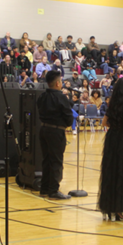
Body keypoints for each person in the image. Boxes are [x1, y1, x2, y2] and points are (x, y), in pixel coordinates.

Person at [98, 77, 123, 220]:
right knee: (122, 172)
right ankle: (120, 209)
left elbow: (104, 123)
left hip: (111, 138)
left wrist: (115, 126)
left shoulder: (112, 103)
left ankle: (109, 207)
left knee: (110, 172)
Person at [37, 70, 73, 200]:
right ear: (58, 83)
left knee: (46, 160)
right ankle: (53, 190)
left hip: (43, 129)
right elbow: (69, 118)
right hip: (56, 131)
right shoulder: (61, 97)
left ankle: (44, 189)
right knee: (56, 161)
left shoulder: (42, 96)